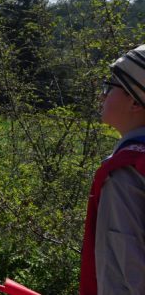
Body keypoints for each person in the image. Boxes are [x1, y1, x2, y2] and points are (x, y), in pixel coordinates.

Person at [80, 45, 145, 295]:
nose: (102, 96)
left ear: (135, 101)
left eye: (109, 87)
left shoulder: (126, 173)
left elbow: (127, 276)